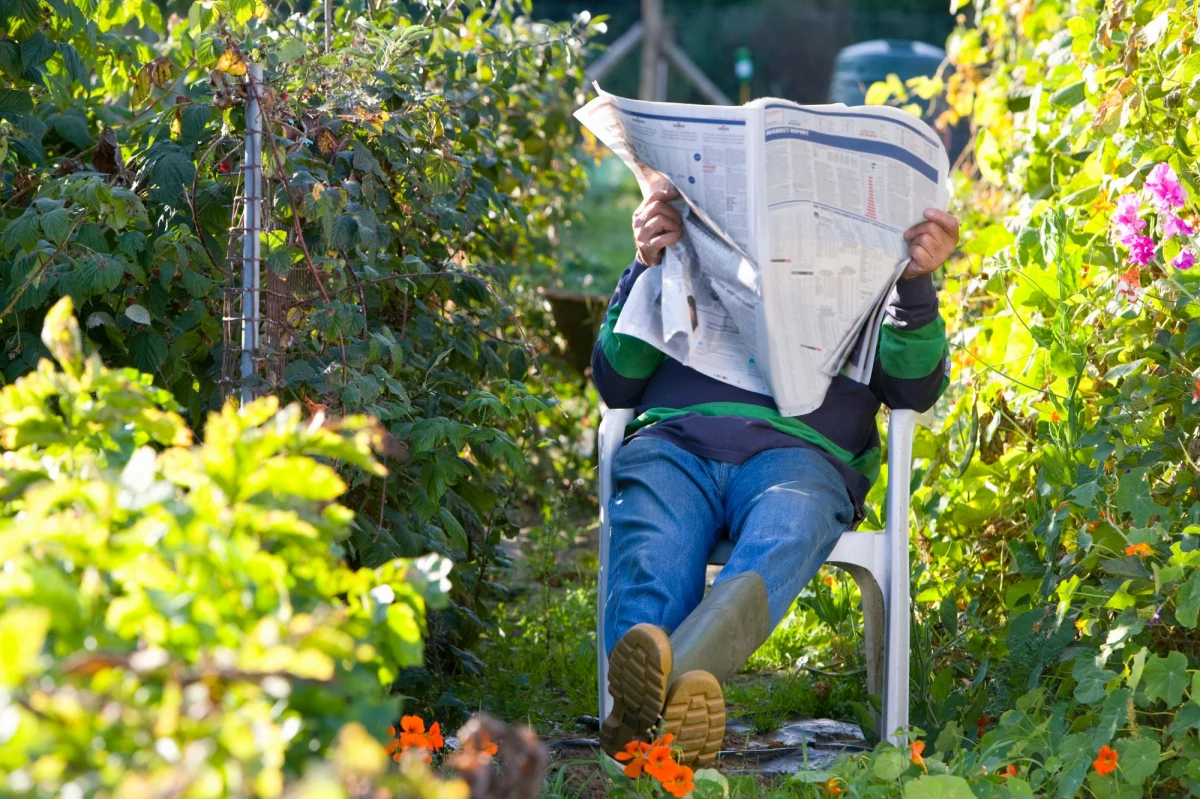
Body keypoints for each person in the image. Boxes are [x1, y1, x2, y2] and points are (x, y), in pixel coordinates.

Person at [593, 185, 959, 767]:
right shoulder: (673, 243)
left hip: (801, 452)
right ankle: (667, 711)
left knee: (790, 521)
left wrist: (914, 283)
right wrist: (646, 262)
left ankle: (651, 710)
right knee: (653, 543)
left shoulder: (878, 265)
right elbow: (615, 382)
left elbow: (912, 390)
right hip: (675, 441)